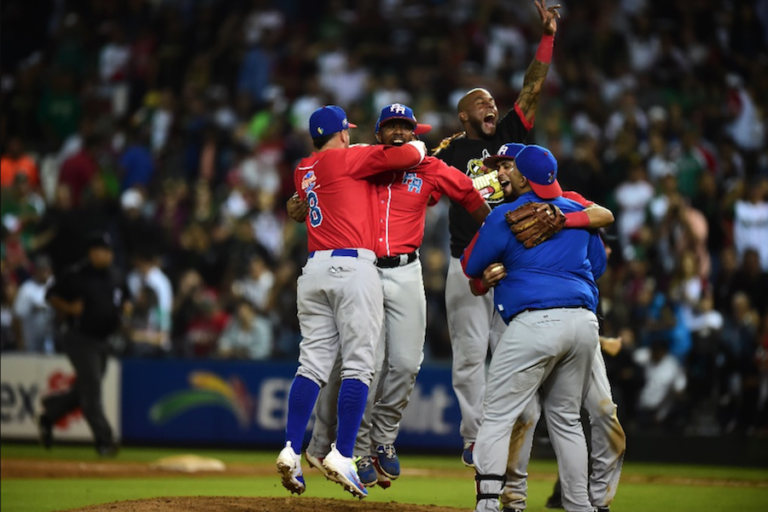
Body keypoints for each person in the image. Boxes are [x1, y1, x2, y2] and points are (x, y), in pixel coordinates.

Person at [289, 103, 490, 488]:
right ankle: (359, 447)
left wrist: (500, 234)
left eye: (406, 127)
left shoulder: (428, 168)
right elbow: (311, 193)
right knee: (368, 365)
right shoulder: (361, 162)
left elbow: (466, 193)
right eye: (391, 126)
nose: (399, 132)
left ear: (415, 132)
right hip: (362, 271)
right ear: (378, 134)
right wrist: (295, 204)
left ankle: (384, 438)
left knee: (406, 363)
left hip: (405, 271)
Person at [432, 0, 562, 465]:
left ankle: (516, 429)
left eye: (491, 101)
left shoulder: (507, 135)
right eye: (480, 104)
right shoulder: (449, 152)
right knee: (469, 356)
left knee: (516, 352)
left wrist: (547, 35)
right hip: (464, 260)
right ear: (465, 117)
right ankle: (473, 436)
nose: (491, 106)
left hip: (513, 261)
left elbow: (532, 88)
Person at [275, 105, 427, 500]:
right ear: (342, 132)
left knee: (311, 364)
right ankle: (343, 453)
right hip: (353, 267)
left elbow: (305, 197)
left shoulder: (302, 169)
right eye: (347, 130)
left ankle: (291, 448)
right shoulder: (353, 156)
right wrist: (422, 145)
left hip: (312, 272)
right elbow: (409, 155)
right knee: (360, 365)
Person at [476, 144, 624, 512]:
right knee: (557, 419)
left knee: (504, 414)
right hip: (578, 321)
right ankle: (548, 503)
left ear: (524, 175)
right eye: (498, 167)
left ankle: (491, 504)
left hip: (537, 320)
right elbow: (595, 262)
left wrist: (536, 250)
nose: (501, 173)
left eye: (508, 165)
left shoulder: (562, 204)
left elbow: (470, 263)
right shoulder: (513, 210)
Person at [37, 232, 129, 457]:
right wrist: (68, 308)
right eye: (100, 250)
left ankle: (51, 412)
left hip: (103, 341)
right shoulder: (76, 274)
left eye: (108, 250)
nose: (105, 254)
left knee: (85, 390)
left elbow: (126, 299)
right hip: (80, 338)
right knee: (92, 388)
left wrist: (125, 311)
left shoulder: (116, 276)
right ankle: (105, 440)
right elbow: (50, 294)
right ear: (91, 252)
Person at [12, 255, 55, 353]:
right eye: (41, 269)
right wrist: (19, 340)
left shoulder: (54, 285)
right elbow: (16, 316)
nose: (45, 273)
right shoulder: (26, 289)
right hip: (31, 339)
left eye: (47, 269)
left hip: (50, 338)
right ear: (35, 270)